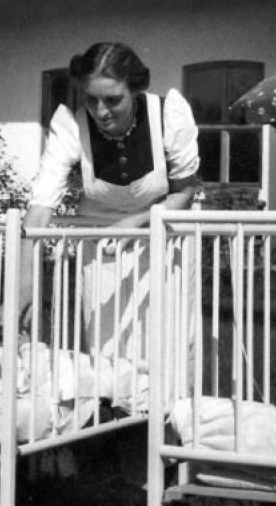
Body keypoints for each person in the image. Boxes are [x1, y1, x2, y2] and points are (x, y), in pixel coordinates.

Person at [21, 41, 201, 356]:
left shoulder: (167, 115)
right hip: (102, 247)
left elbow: (184, 192)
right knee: (106, 349)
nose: (101, 111)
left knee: (165, 347)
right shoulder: (72, 126)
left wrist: (139, 220)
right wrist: (23, 287)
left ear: (136, 89)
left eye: (113, 100)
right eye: (91, 99)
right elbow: (39, 210)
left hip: (163, 240)